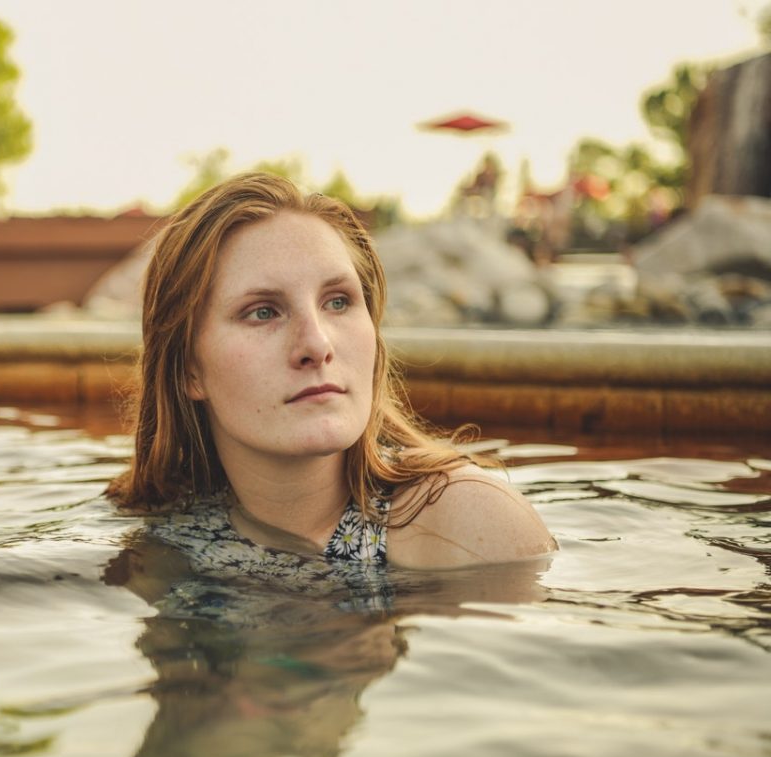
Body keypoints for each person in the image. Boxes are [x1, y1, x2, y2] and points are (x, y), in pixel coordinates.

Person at [106, 172, 556, 570]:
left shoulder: (467, 524)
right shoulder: (158, 534)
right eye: (263, 312)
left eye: (338, 302)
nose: (317, 345)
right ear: (189, 371)